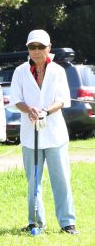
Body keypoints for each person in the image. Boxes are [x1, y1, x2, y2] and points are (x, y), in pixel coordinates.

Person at [10, 29, 78, 234]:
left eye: (41, 47)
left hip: (55, 134)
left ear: (49, 48)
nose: (37, 51)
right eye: (32, 47)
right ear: (28, 49)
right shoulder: (20, 71)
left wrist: (46, 111)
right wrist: (28, 109)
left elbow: (63, 99)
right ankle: (35, 222)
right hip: (31, 135)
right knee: (33, 181)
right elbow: (15, 99)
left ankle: (67, 223)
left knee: (62, 179)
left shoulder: (57, 70)